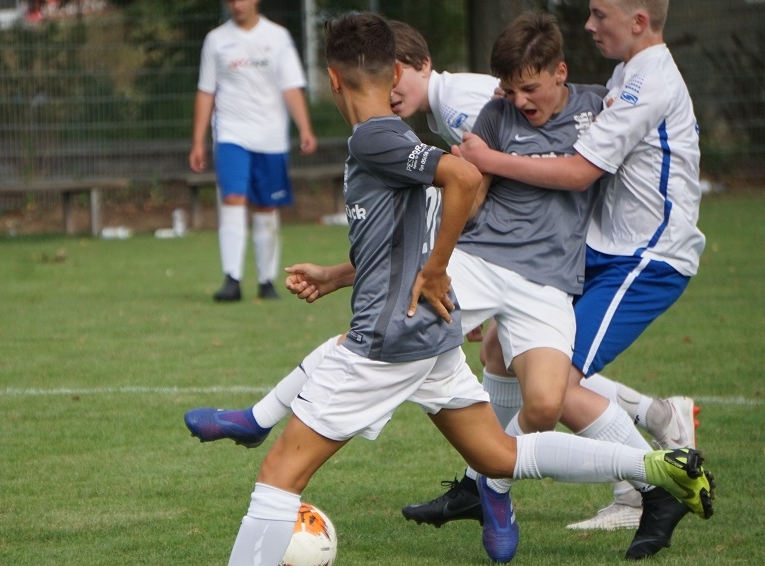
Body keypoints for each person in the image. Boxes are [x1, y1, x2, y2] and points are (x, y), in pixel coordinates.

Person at [220, 13, 712, 565]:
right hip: (481, 261)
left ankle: (570, 477)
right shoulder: (491, 109)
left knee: (541, 401)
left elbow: (494, 176)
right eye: (509, 88)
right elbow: (443, 210)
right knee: (473, 384)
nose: (517, 99)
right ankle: (616, 473)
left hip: (556, 275)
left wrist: (436, 261)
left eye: (528, 88)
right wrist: (353, 273)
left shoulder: (560, 103)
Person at [440, 0, 707, 555]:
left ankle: (652, 488)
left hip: (647, 257)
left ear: (637, 21)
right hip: (606, 248)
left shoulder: (650, 81)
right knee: (500, 349)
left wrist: (489, 158)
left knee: (557, 389)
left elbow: (581, 172)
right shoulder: (626, 74)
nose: (589, 25)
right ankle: (482, 483)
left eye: (599, 14)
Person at [189, 0, 317, 302]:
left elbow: (291, 86)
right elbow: (206, 91)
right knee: (233, 198)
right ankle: (232, 278)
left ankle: (266, 281)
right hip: (231, 134)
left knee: (265, 207)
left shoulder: (278, 37)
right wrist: (198, 141)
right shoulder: (216, 40)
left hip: (271, 136)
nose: (238, 5)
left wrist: (305, 128)